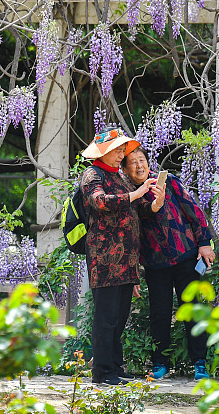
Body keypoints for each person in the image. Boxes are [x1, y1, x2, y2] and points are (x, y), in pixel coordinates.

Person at [79, 127, 165, 386]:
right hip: (104, 258)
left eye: (121, 150)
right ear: (102, 152)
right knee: (106, 317)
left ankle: (115, 366)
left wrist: (154, 203)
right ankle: (102, 371)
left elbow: (138, 208)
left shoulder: (119, 176)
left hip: (127, 259)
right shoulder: (92, 175)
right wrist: (137, 193)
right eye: (116, 150)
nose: (121, 155)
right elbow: (100, 202)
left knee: (119, 316)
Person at [123, 146, 214, 381]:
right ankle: (160, 363)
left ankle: (200, 363)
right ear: (124, 169)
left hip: (185, 255)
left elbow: (194, 210)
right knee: (159, 314)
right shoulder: (129, 195)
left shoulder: (168, 181)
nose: (139, 166)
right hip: (155, 263)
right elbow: (130, 238)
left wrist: (204, 242)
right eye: (132, 163)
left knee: (192, 309)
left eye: (141, 160)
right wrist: (133, 272)